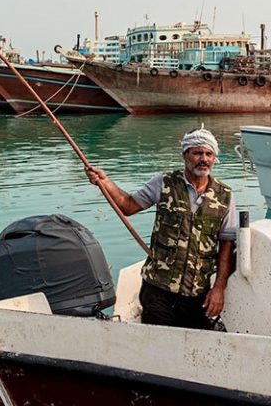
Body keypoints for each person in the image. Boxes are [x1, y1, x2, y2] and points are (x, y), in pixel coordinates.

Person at [85, 124, 236, 330]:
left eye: (209, 154)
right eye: (197, 153)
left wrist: (219, 288)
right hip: (158, 290)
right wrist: (104, 182)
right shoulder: (163, 183)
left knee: (195, 348)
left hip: (197, 294)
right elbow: (127, 205)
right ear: (185, 155)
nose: (204, 159)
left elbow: (226, 244)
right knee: (158, 348)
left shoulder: (224, 195)